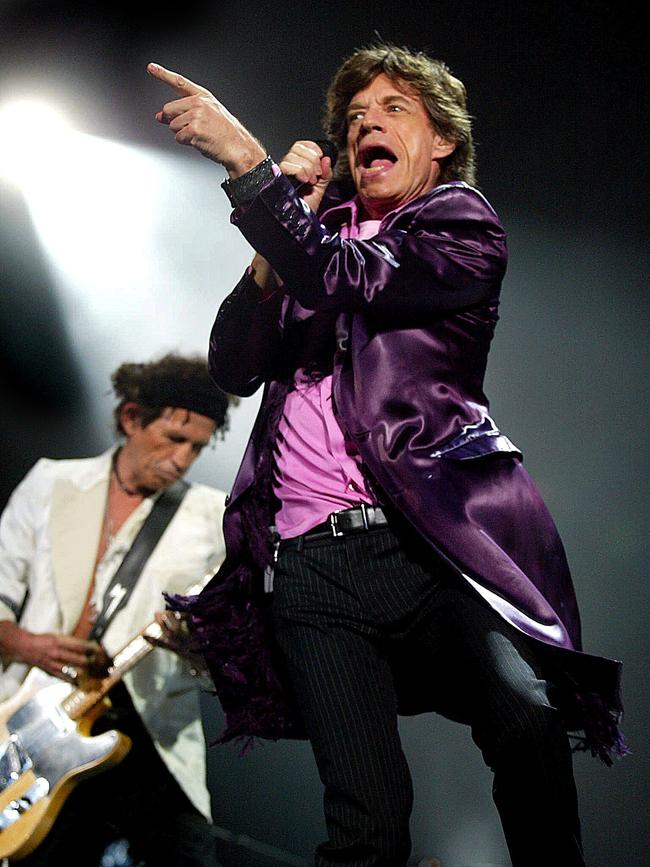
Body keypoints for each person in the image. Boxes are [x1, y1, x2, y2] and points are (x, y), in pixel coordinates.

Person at [148, 46, 625, 867]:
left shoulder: (461, 225)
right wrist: (284, 216)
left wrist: (247, 163)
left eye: (393, 107)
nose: (367, 119)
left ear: (441, 140)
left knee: (527, 721)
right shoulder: (310, 234)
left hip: (430, 546)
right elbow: (232, 362)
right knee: (368, 824)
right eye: (356, 112)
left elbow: (348, 276)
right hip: (313, 568)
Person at [0, 353, 235, 867]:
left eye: (196, 448)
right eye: (173, 439)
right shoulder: (50, 483)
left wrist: (197, 645)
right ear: (132, 418)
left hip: (147, 726)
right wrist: (22, 642)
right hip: (29, 718)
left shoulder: (213, 518)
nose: (182, 460)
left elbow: (227, 649)